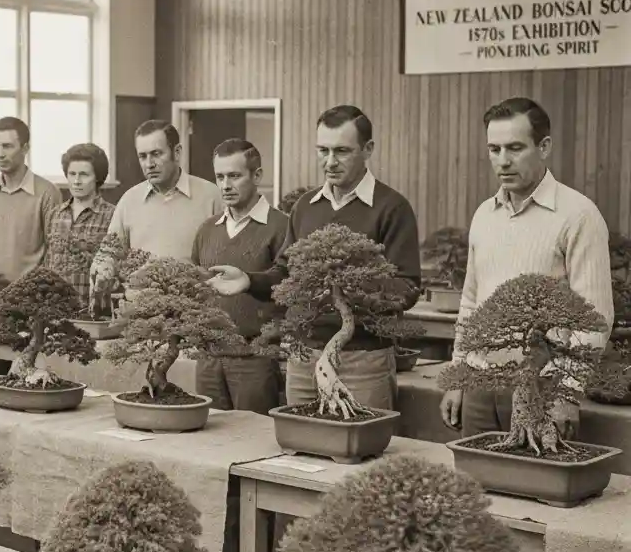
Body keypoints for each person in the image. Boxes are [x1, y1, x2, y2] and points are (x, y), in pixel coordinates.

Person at [208, 105, 421, 410]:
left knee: (360, 449)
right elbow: (286, 272)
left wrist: (349, 289)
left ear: (368, 149)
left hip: (362, 357)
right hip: (304, 354)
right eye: (323, 150)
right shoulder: (306, 206)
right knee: (299, 444)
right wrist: (248, 280)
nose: (330, 161)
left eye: (342, 151)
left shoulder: (392, 208)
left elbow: (408, 287)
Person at [439, 97, 613, 439]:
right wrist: (458, 375)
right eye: (494, 149)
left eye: (515, 148)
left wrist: (567, 392)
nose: (502, 161)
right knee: (476, 484)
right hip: (479, 387)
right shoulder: (484, 215)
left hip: (544, 388)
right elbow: (471, 301)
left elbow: (595, 317)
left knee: (536, 484)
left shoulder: (578, 215)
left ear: (543, 146)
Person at [191, 138, 289, 414]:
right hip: (208, 358)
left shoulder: (281, 227)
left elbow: (287, 284)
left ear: (257, 176)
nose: (225, 185)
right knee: (208, 439)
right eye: (219, 177)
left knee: (253, 440)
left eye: (234, 176)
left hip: (255, 359)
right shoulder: (207, 230)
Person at [89, 119, 221, 304]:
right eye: (142, 156)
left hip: (195, 309)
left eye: (156, 154)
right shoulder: (129, 200)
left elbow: (226, 262)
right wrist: (103, 268)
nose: (149, 163)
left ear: (177, 152)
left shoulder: (212, 197)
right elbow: (110, 251)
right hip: (140, 310)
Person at [0, 116, 62, 297]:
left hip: (29, 296)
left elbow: (55, 253)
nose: (0, 154)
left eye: (7, 146)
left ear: (25, 148)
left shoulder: (47, 193)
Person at [44, 143, 115, 308]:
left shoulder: (112, 215)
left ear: (97, 177)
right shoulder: (55, 214)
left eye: (83, 174)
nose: (76, 181)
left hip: (93, 309)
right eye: (72, 174)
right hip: (56, 307)